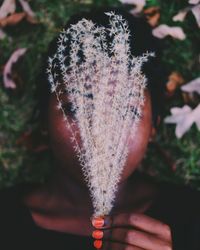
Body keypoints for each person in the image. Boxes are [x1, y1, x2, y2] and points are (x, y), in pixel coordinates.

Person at [0, 6, 200, 250]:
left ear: (153, 129)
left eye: (126, 111)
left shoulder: (192, 220)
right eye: (75, 109)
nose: (101, 132)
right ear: (44, 121)